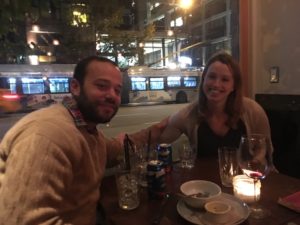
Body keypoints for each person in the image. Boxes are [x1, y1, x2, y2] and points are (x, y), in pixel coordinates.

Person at [0, 56, 167, 225]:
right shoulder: (47, 135)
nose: (112, 96)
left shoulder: (85, 128)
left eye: (117, 90)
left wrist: (156, 131)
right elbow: (22, 220)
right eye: (102, 86)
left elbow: (114, 150)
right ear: (75, 87)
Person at [130, 52, 273, 158]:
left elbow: (264, 149)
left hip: (244, 185)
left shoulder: (253, 111)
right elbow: (157, 139)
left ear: (234, 86)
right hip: (205, 189)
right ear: (203, 80)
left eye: (225, 79)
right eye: (211, 77)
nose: (216, 84)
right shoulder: (188, 114)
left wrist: (255, 162)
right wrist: (127, 142)